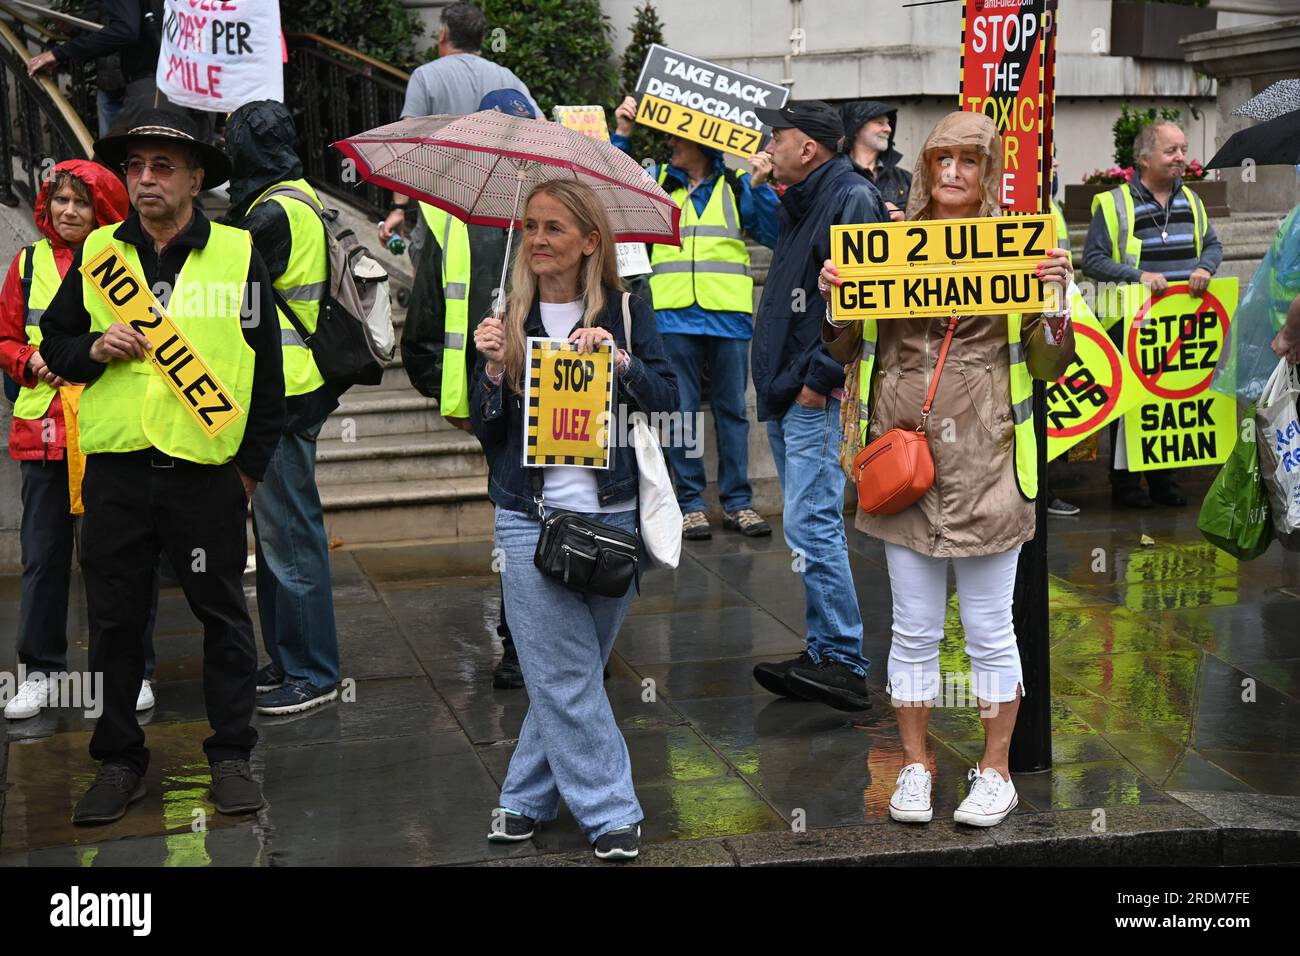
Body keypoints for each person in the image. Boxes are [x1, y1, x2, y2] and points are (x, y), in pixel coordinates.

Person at [818, 110, 1076, 828]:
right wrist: (837, 298)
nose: (954, 173)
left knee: (993, 630)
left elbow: (1053, 362)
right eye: (942, 161)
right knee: (912, 629)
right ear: (927, 169)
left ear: (988, 169)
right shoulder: (889, 247)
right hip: (905, 468)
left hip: (990, 465)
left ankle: (995, 771)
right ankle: (915, 766)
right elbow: (843, 348)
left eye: (969, 160)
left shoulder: (1021, 251)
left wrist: (1054, 300)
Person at [40, 106, 284, 824]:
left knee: (223, 619)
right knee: (114, 623)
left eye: (162, 166)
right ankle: (118, 762)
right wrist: (91, 348)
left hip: (205, 474)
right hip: (116, 472)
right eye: (135, 166)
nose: (145, 179)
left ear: (195, 179)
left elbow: (266, 374)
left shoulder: (238, 253)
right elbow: (54, 346)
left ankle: (233, 754)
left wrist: (247, 471)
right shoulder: (97, 256)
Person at [469, 180, 677, 860]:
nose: (537, 240)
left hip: (613, 516)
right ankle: (612, 811)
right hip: (529, 518)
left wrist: (621, 363)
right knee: (563, 674)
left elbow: (670, 396)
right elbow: (486, 430)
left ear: (591, 240)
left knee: (573, 671)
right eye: (530, 227)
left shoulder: (626, 308)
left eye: (554, 228)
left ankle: (524, 798)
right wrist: (496, 372)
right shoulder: (507, 315)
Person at [0, 159, 160, 720]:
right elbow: (6, 337)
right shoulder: (26, 264)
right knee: (44, 557)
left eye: (81, 203)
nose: (68, 212)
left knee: (118, 559)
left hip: (107, 430)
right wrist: (29, 358)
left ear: (103, 209)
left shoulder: (123, 262)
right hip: (44, 433)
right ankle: (41, 672)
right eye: (60, 201)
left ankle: (132, 669)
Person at [746, 101, 886, 713]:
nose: (767, 144)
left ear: (809, 147)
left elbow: (860, 298)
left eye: (777, 136)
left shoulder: (850, 196)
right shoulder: (806, 198)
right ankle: (826, 650)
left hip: (811, 391)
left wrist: (817, 380)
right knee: (806, 524)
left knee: (813, 522)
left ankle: (846, 662)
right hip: (789, 389)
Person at [402, 88, 539, 690]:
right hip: (492, 398)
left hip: (564, 391)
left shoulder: (568, 207)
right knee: (517, 514)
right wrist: (459, 402)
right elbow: (426, 328)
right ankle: (520, 642)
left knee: (557, 510)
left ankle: (551, 635)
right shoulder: (443, 216)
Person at [612, 94, 778, 541]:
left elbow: (772, 232)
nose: (669, 143)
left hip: (727, 313)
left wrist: (762, 187)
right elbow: (614, 191)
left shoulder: (739, 184)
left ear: (700, 144)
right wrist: (622, 134)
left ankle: (738, 503)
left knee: (731, 411)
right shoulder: (657, 181)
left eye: (676, 137)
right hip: (672, 314)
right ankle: (688, 504)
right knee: (679, 410)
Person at [224, 100, 345, 715]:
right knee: (276, 537)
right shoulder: (295, 193)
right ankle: (287, 658)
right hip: (293, 387)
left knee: (291, 538)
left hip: (286, 391)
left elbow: (229, 286)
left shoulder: (271, 211)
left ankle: (313, 673)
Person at [1083, 120, 1223, 509]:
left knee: (1171, 406)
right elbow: (1092, 260)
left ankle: (1165, 483)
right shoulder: (1114, 204)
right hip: (1133, 325)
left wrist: (1205, 268)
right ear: (1144, 158)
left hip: (1179, 326)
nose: (1181, 158)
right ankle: (1125, 485)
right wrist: (1138, 276)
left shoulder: (1192, 201)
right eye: (1171, 150)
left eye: (1182, 149)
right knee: (1131, 405)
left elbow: (1213, 245)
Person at [378, 2, 541, 255]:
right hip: (497, 215)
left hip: (439, 212)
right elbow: (541, 129)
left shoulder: (425, 76)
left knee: (434, 285)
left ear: (443, 34)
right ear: (482, 38)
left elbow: (406, 142)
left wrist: (398, 207)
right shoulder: (507, 77)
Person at [26, 1, 163, 137]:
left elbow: (125, 30)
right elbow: (105, 21)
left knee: (117, 150)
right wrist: (74, 32)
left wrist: (60, 53)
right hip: (134, 77)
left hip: (146, 79)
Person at [1045, 149, 1081, 518]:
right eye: (1048, 158)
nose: (1054, 164)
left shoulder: (1051, 204)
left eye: (1056, 158)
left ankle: (1045, 488)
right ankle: (1041, 490)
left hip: (1059, 310)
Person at [841, 100, 912, 221]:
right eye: (879, 123)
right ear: (856, 129)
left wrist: (904, 220)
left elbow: (926, 221)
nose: (888, 129)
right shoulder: (836, 176)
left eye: (889, 123)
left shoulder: (904, 179)